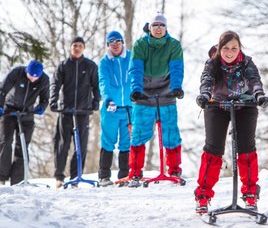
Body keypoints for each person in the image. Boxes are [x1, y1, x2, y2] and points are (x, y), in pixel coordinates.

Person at [194, 30, 268, 214]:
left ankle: (250, 195)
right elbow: (206, 80)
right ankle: (203, 196)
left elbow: (254, 81)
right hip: (217, 105)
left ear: (239, 49)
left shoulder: (247, 62)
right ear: (220, 49)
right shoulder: (213, 63)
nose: (230, 52)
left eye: (234, 48)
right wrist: (204, 95)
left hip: (245, 105)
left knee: (246, 149)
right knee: (213, 150)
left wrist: (259, 95)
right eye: (226, 48)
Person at [128, 12, 184, 187]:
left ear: (166, 28)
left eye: (162, 25)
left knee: (171, 132)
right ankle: (135, 172)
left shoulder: (174, 45)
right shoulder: (140, 45)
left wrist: (176, 87)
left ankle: (174, 169)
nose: (158, 29)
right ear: (150, 28)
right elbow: (135, 69)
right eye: (155, 25)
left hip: (166, 92)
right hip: (144, 93)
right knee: (139, 133)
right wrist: (136, 90)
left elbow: (176, 68)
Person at [50, 36, 100, 189]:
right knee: (62, 145)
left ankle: (75, 177)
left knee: (81, 146)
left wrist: (96, 101)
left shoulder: (90, 66)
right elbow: (55, 84)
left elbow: (96, 86)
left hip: (83, 112)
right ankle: (59, 177)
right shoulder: (64, 65)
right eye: (74, 45)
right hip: (66, 111)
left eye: (79, 45)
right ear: (70, 48)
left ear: (83, 48)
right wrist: (54, 101)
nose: (77, 48)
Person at [0, 60, 49, 185]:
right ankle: (1, 176)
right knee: (6, 142)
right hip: (9, 111)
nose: (33, 78)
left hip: (27, 113)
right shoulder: (17, 72)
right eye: (30, 75)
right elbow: (2, 90)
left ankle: (18, 180)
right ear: (26, 71)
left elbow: (45, 99)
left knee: (22, 146)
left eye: (35, 77)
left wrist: (41, 107)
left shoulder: (44, 80)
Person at [97, 30, 132, 187]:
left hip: (130, 108)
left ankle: (125, 175)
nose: (115, 45)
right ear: (108, 45)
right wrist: (108, 99)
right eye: (112, 42)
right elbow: (103, 82)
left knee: (127, 141)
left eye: (118, 41)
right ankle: (104, 175)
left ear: (122, 42)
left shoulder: (131, 57)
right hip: (111, 108)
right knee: (108, 140)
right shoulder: (105, 62)